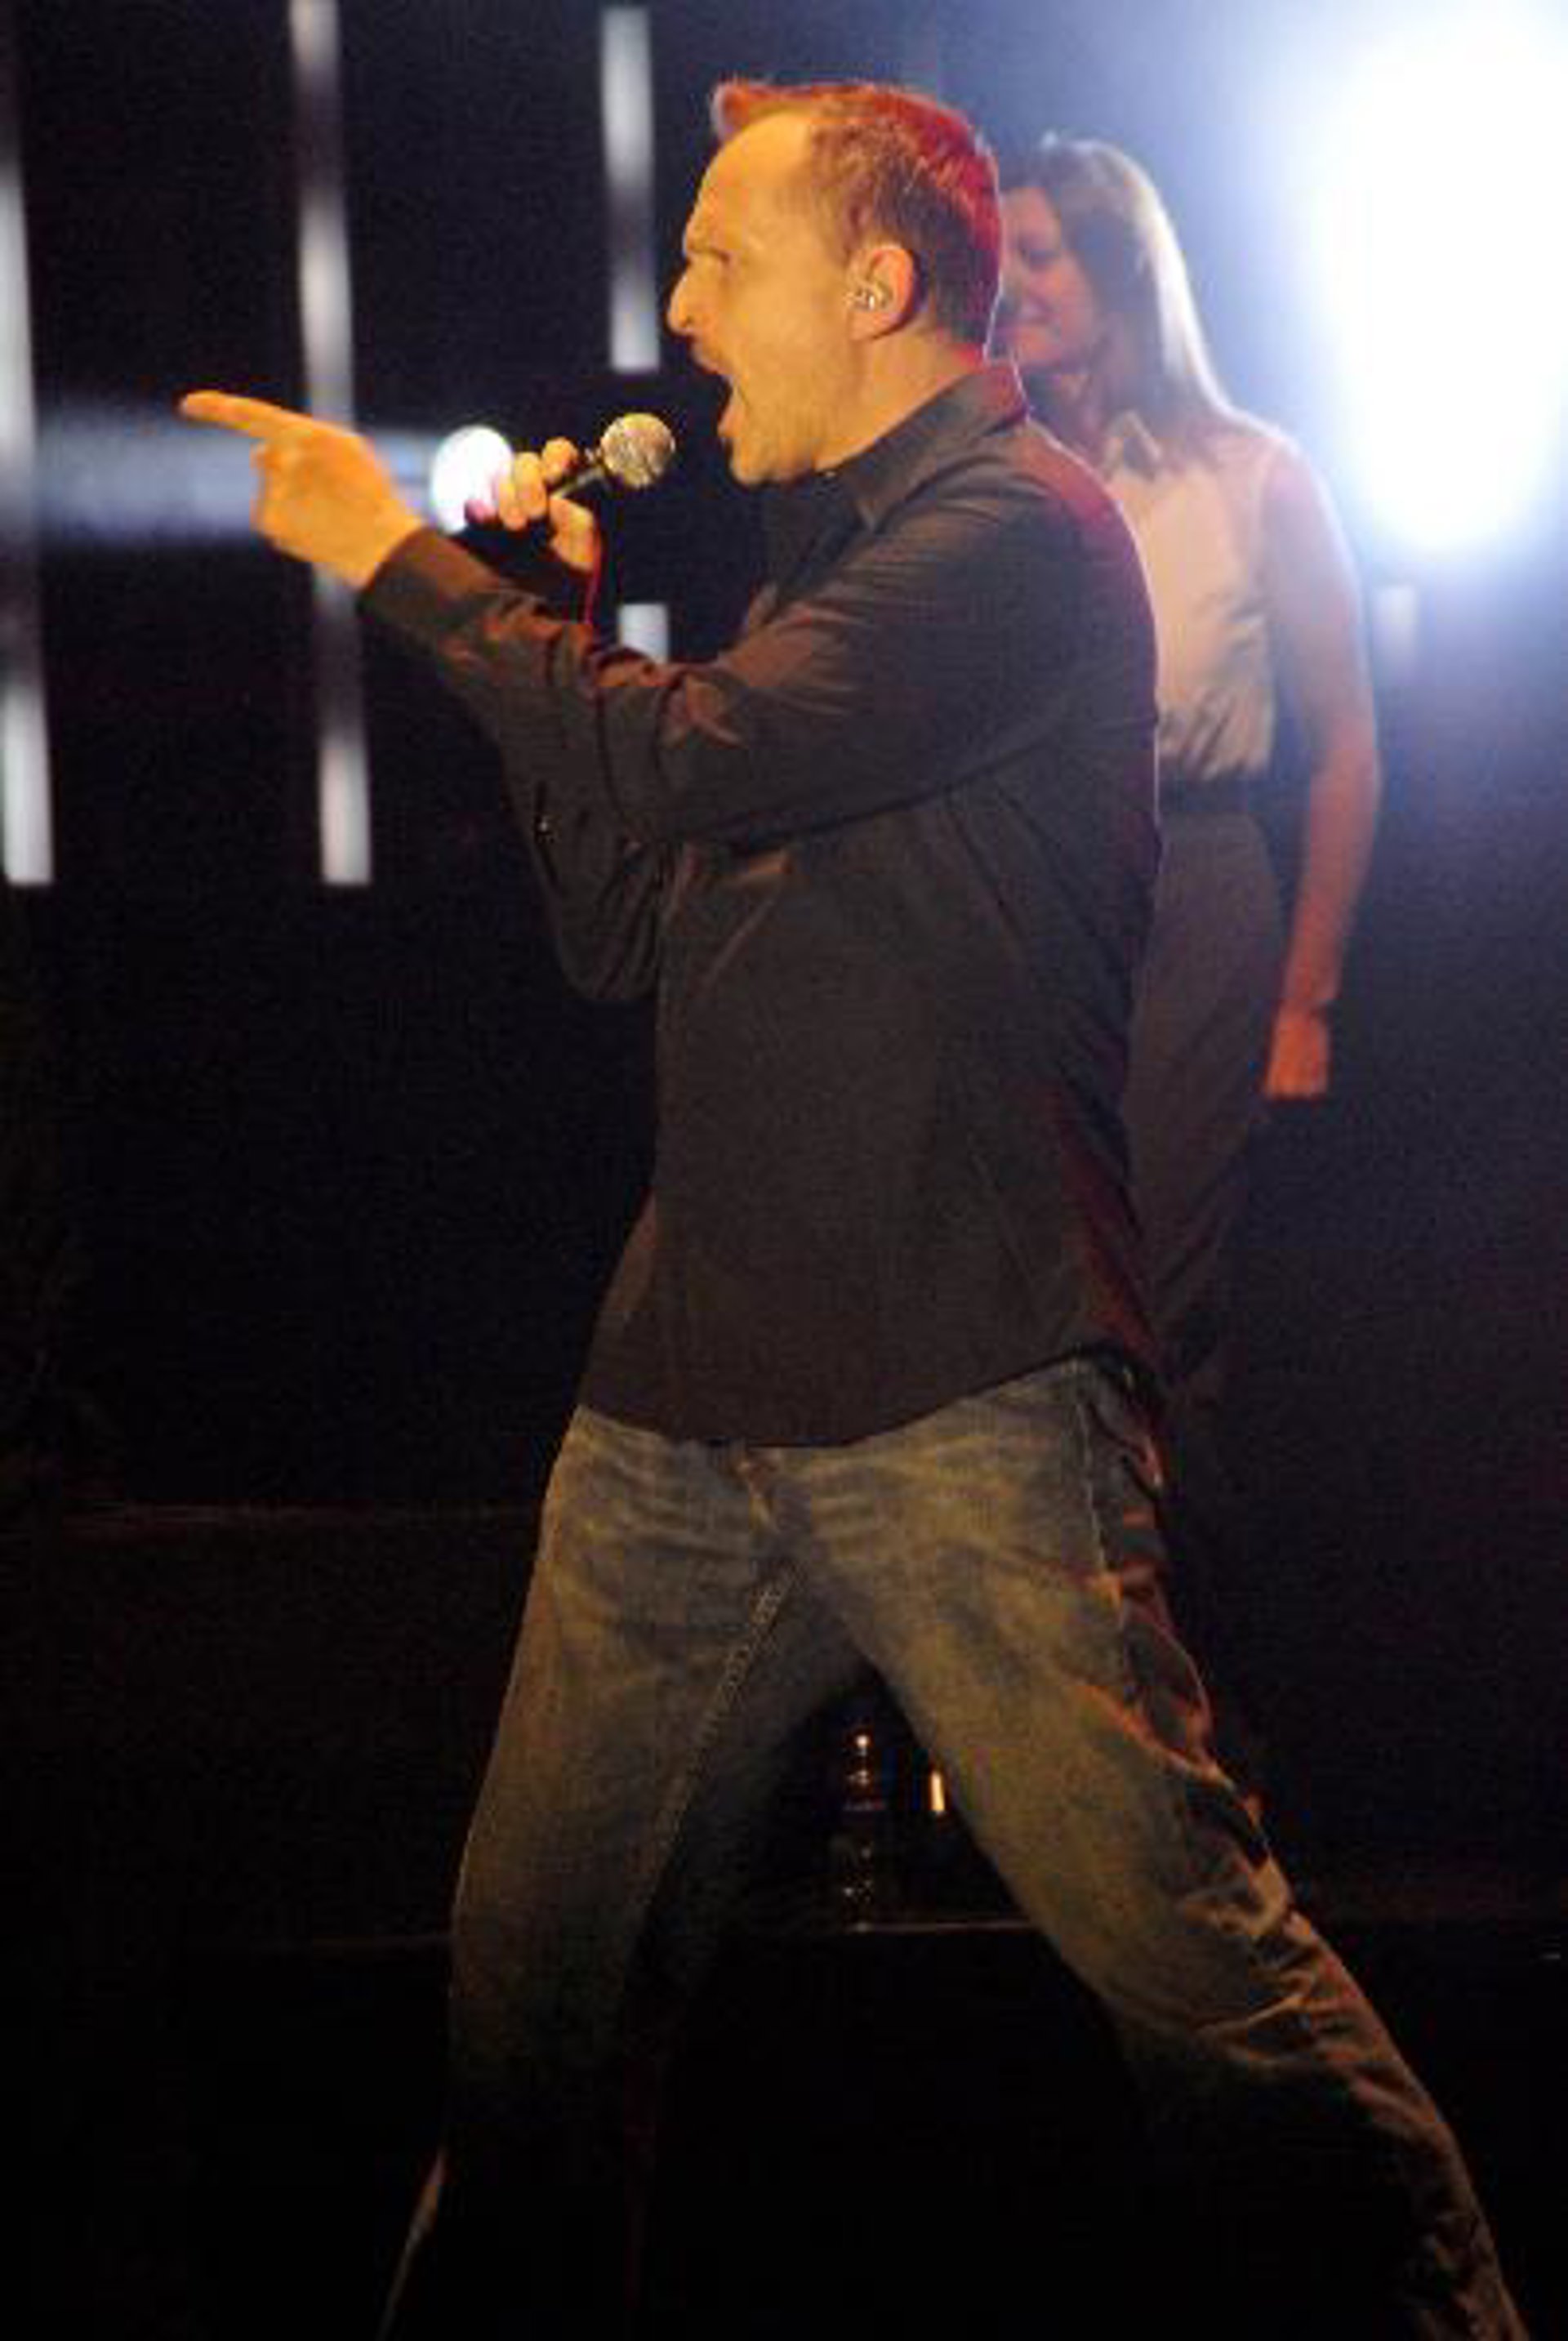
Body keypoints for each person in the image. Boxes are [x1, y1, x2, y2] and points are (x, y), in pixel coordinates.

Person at [181, 79, 1521, 2339]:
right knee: (534, 2015)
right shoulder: (828, 558)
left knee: (1203, 1986)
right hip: (685, 1395)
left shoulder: (1017, 534)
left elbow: (687, 754)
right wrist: (542, 623)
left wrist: (396, 563)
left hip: (955, 1387)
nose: (686, 311)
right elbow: (629, 918)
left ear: (878, 287)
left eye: (723, 259)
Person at [994, 137, 1383, 1770]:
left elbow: (1347, 744)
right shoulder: (1002, 476)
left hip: (1202, 890)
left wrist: (1306, 994)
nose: (1014, 284)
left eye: (1041, 255)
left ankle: (1216, 1705)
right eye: (1004, 256)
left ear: (1123, 273)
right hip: (1041, 899)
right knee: (1040, 1313)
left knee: (1148, 1312)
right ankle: (1118, 1716)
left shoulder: (1250, 475)